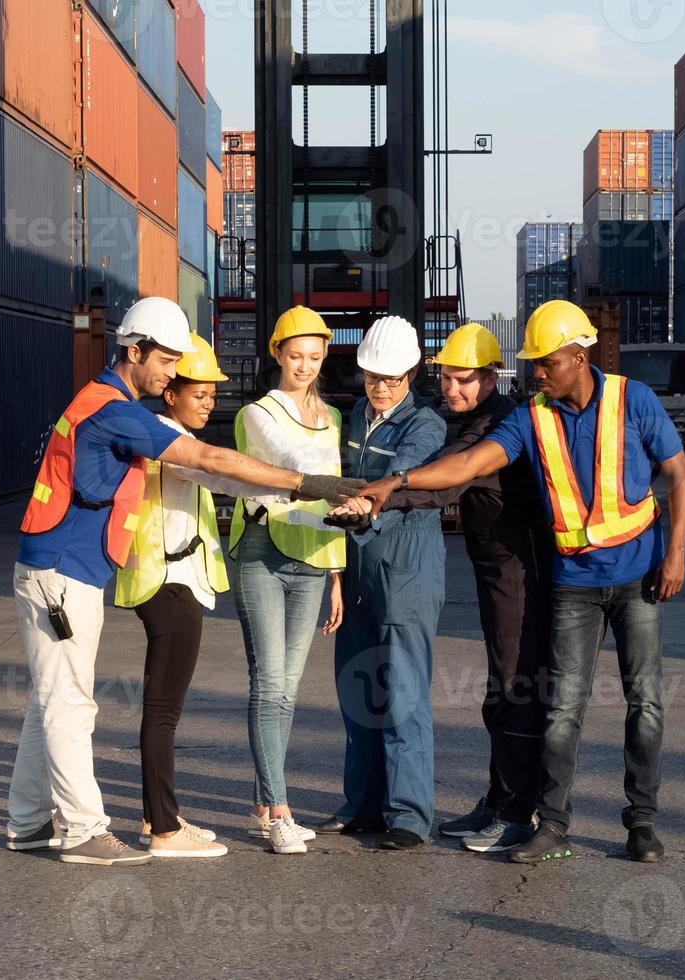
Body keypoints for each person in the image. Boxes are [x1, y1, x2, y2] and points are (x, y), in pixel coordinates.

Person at [4, 297, 361, 867]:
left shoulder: (113, 404)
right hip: (61, 575)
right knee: (70, 704)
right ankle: (82, 830)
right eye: (167, 361)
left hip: (62, 571)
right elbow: (207, 458)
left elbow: (205, 470)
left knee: (48, 702)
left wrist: (296, 489)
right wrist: (305, 482)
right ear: (134, 351)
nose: (174, 371)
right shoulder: (117, 412)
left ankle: (27, 821)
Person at [351, 300, 685, 865]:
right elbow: (463, 466)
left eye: (544, 361)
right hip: (572, 582)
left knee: (643, 702)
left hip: (630, 578)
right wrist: (396, 481)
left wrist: (675, 554)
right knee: (558, 707)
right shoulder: (530, 417)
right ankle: (544, 822)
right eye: (531, 361)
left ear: (578, 358)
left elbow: (679, 474)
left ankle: (636, 823)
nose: (535, 370)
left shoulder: (633, 399)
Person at [331, 323, 552, 855]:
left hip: (515, 568)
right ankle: (483, 801)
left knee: (509, 687)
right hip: (472, 564)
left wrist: (380, 497)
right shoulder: (382, 415)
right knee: (370, 688)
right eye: (447, 379)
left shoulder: (498, 420)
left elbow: (446, 480)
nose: (452, 390)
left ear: (490, 377)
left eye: (464, 381)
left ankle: (509, 810)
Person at [114, 334, 289, 859]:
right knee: (163, 711)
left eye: (214, 393)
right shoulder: (166, 438)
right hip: (169, 583)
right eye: (200, 392)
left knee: (162, 707)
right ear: (171, 394)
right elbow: (220, 473)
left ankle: (156, 817)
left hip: (172, 579)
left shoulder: (163, 431)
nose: (210, 401)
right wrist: (297, 486)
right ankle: (165, 830)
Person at [311, 315, 447, 851]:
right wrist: (337, 573)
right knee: (357, 688)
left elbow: (398, 482)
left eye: (391, 379)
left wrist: (367, 505)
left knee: (403, 694)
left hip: (407, 571)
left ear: (412, 373)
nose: (381, 387)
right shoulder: (353, 419)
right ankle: (362, 806)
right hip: (360, 567)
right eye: (372, 377)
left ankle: (409, 817)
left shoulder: (425, 426)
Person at [228, 306, 349, 855]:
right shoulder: (258, 414)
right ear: (277, 354)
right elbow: (293, 462)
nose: (304, 365)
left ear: (325, 357)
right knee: (269, 685)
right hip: (262, 551)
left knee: (290, 689)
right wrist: (359, 487)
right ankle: (279, 811)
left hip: (314, 558)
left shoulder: (336, 418)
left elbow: (334, 508)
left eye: (314, 357)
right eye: (295, 355)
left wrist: (337, 576)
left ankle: (259, 805)